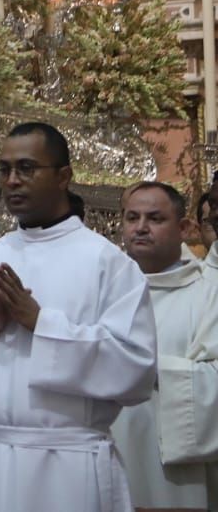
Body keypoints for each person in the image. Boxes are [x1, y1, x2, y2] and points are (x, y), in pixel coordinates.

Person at [0, 122, 157, 512]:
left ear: (64, 175)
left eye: (27, 168)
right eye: (4, 170)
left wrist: (41, 323)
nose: (12, 181)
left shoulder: (108, 264)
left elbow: (136, 368)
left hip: (72, 464)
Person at [109, 182, 218, 511]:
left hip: (171, 469)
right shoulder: (101, 288)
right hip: (100, 453)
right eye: (132, 218)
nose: (140, 228)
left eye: (155, 219)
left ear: (184, 228)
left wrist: (146, 366)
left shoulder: (208, 292)